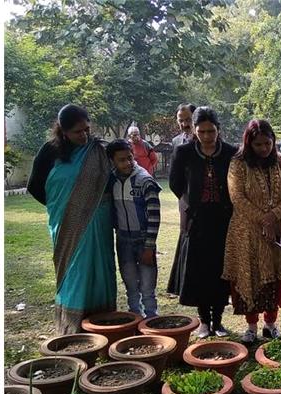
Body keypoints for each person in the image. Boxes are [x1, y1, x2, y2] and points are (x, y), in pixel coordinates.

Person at [26, 104, 117, 333]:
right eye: (78, 131)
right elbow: (35, 186)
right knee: (74, 270)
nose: (84, 135)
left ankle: (104, 324)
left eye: (87, 129)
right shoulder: (50, 151)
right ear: (63, 131)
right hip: (66, 223)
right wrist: (64, 207)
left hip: (99, 223)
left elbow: (112, 182)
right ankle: (73, 327)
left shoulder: (97, 150)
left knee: (101, 268)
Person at [224, 119, 281, 344]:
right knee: (251, 276)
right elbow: (237, 197)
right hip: (247, 231)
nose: (264, 148)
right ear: (249, 143)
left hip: (277, 231)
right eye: (258, 145)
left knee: (275, 277)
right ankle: (250, 327)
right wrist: (262, 218)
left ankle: (271, 324)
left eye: (268, 143)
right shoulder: (238, 164)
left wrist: (273, 216)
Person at [168, 106, 238, 338]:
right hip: (196, 220)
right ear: (195, 131)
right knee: (199, 271)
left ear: (218, 129)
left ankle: (218, 321)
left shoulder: (230, 152)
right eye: (202, 132)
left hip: (223, 219)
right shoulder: (184, 152)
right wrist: (191, 201)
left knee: (220, 271)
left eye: (211, 131)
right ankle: (204, 322)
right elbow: (175, 183)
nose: (207, 137)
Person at [106, 139, 162, 318]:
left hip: (144, 240)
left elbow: (154, 216)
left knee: (147, 285)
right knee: (130, 283)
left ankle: (151, 320)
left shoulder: (145, 181)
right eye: (121, 160)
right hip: (123, 240)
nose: (127, 163)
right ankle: (134, 319)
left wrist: (149, 246)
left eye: (129, 158)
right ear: (112, 161)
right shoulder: (111, 180)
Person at [169, 103, 196, 260]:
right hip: (184, 198)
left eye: (189, 119)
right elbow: (174, 175)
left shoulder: (206, 139)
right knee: (185, 234)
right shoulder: (176, 142)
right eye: (181, 120)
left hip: (205, 198)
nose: (185, 124)